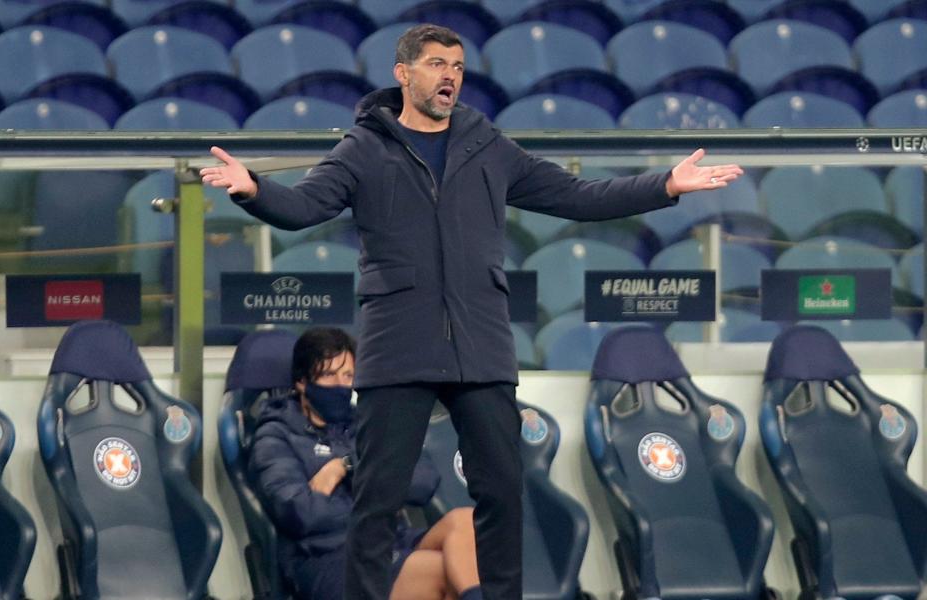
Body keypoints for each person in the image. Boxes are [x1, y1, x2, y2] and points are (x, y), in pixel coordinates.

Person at [201, 24, 744, 600]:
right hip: (399, 345)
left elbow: (579, 198)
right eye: (436, 64)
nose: (450, 77)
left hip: (480, 343)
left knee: (502, 491)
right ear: (403, 74)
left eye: (458, 67)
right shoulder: (363, 148)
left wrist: (666, 184)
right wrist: (252, 189)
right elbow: (304, 204)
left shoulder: (488, 146)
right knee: (377, 498)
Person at [249, 327, 483, 600]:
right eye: (329, 375)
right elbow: (299, 514)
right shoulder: (276, 435)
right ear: (302, 381)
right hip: (328, 559)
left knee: (467, 521)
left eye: (348, 375)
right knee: (444, 573)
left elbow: (423, 481)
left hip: (387, 541)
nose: (340, 385)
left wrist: (345, 467)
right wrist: (376, 498)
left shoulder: (367, 423)